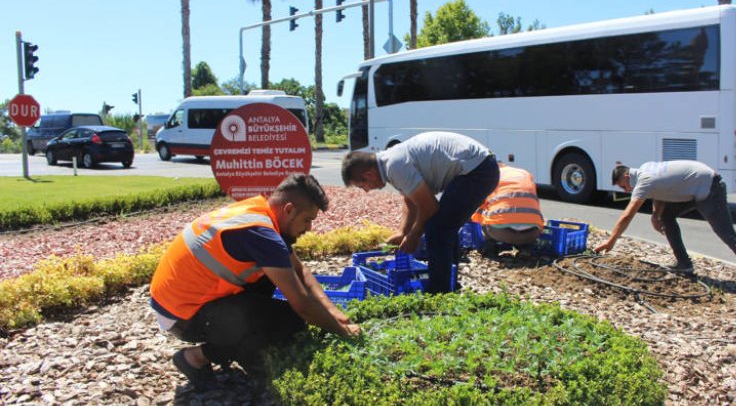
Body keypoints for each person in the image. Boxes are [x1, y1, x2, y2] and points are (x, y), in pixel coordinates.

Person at [149, 174, 361, 391]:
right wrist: (344, 332)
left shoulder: (260, 212)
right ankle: (196, 357)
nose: (309, 229)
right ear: (288, 210)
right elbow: (302, 306)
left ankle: (243, 346)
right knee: (290, 321)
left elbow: (300, 271)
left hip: (181, 303)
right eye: (308, 220)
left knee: (277, 282)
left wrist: (332, 311)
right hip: (182, 316)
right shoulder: (261, 234)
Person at [341, 131, 500, 293]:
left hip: (478, 171)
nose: (366, 191)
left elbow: (429, 207)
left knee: (437, 229)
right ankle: (448, 284)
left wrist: (413, 236)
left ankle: (440, 292)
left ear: (369, 175)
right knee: (444, 226)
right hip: (478, 166)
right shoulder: (389, 161)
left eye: (362, 186)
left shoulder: (394, 166)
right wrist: (402, 232)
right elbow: (410, 200)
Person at [594, 161, 736, 300]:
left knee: (728, 236)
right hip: (695, 187)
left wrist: (611, 241)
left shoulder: (644, 180)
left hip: (709, 189)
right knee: (667, 216)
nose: (626, 190)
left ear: (626, 177)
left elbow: (627, 214)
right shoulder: (645, 168)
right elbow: (661, 191)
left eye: (623, 186)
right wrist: (656, 215)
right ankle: (684, 264)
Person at [471, 163, 544, 247]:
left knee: (485, 214)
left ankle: (491, 246)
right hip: (532, 234)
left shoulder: (491, 175)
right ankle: (525, 248)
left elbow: (478, 209)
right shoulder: (525, 174)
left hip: (502, 233)